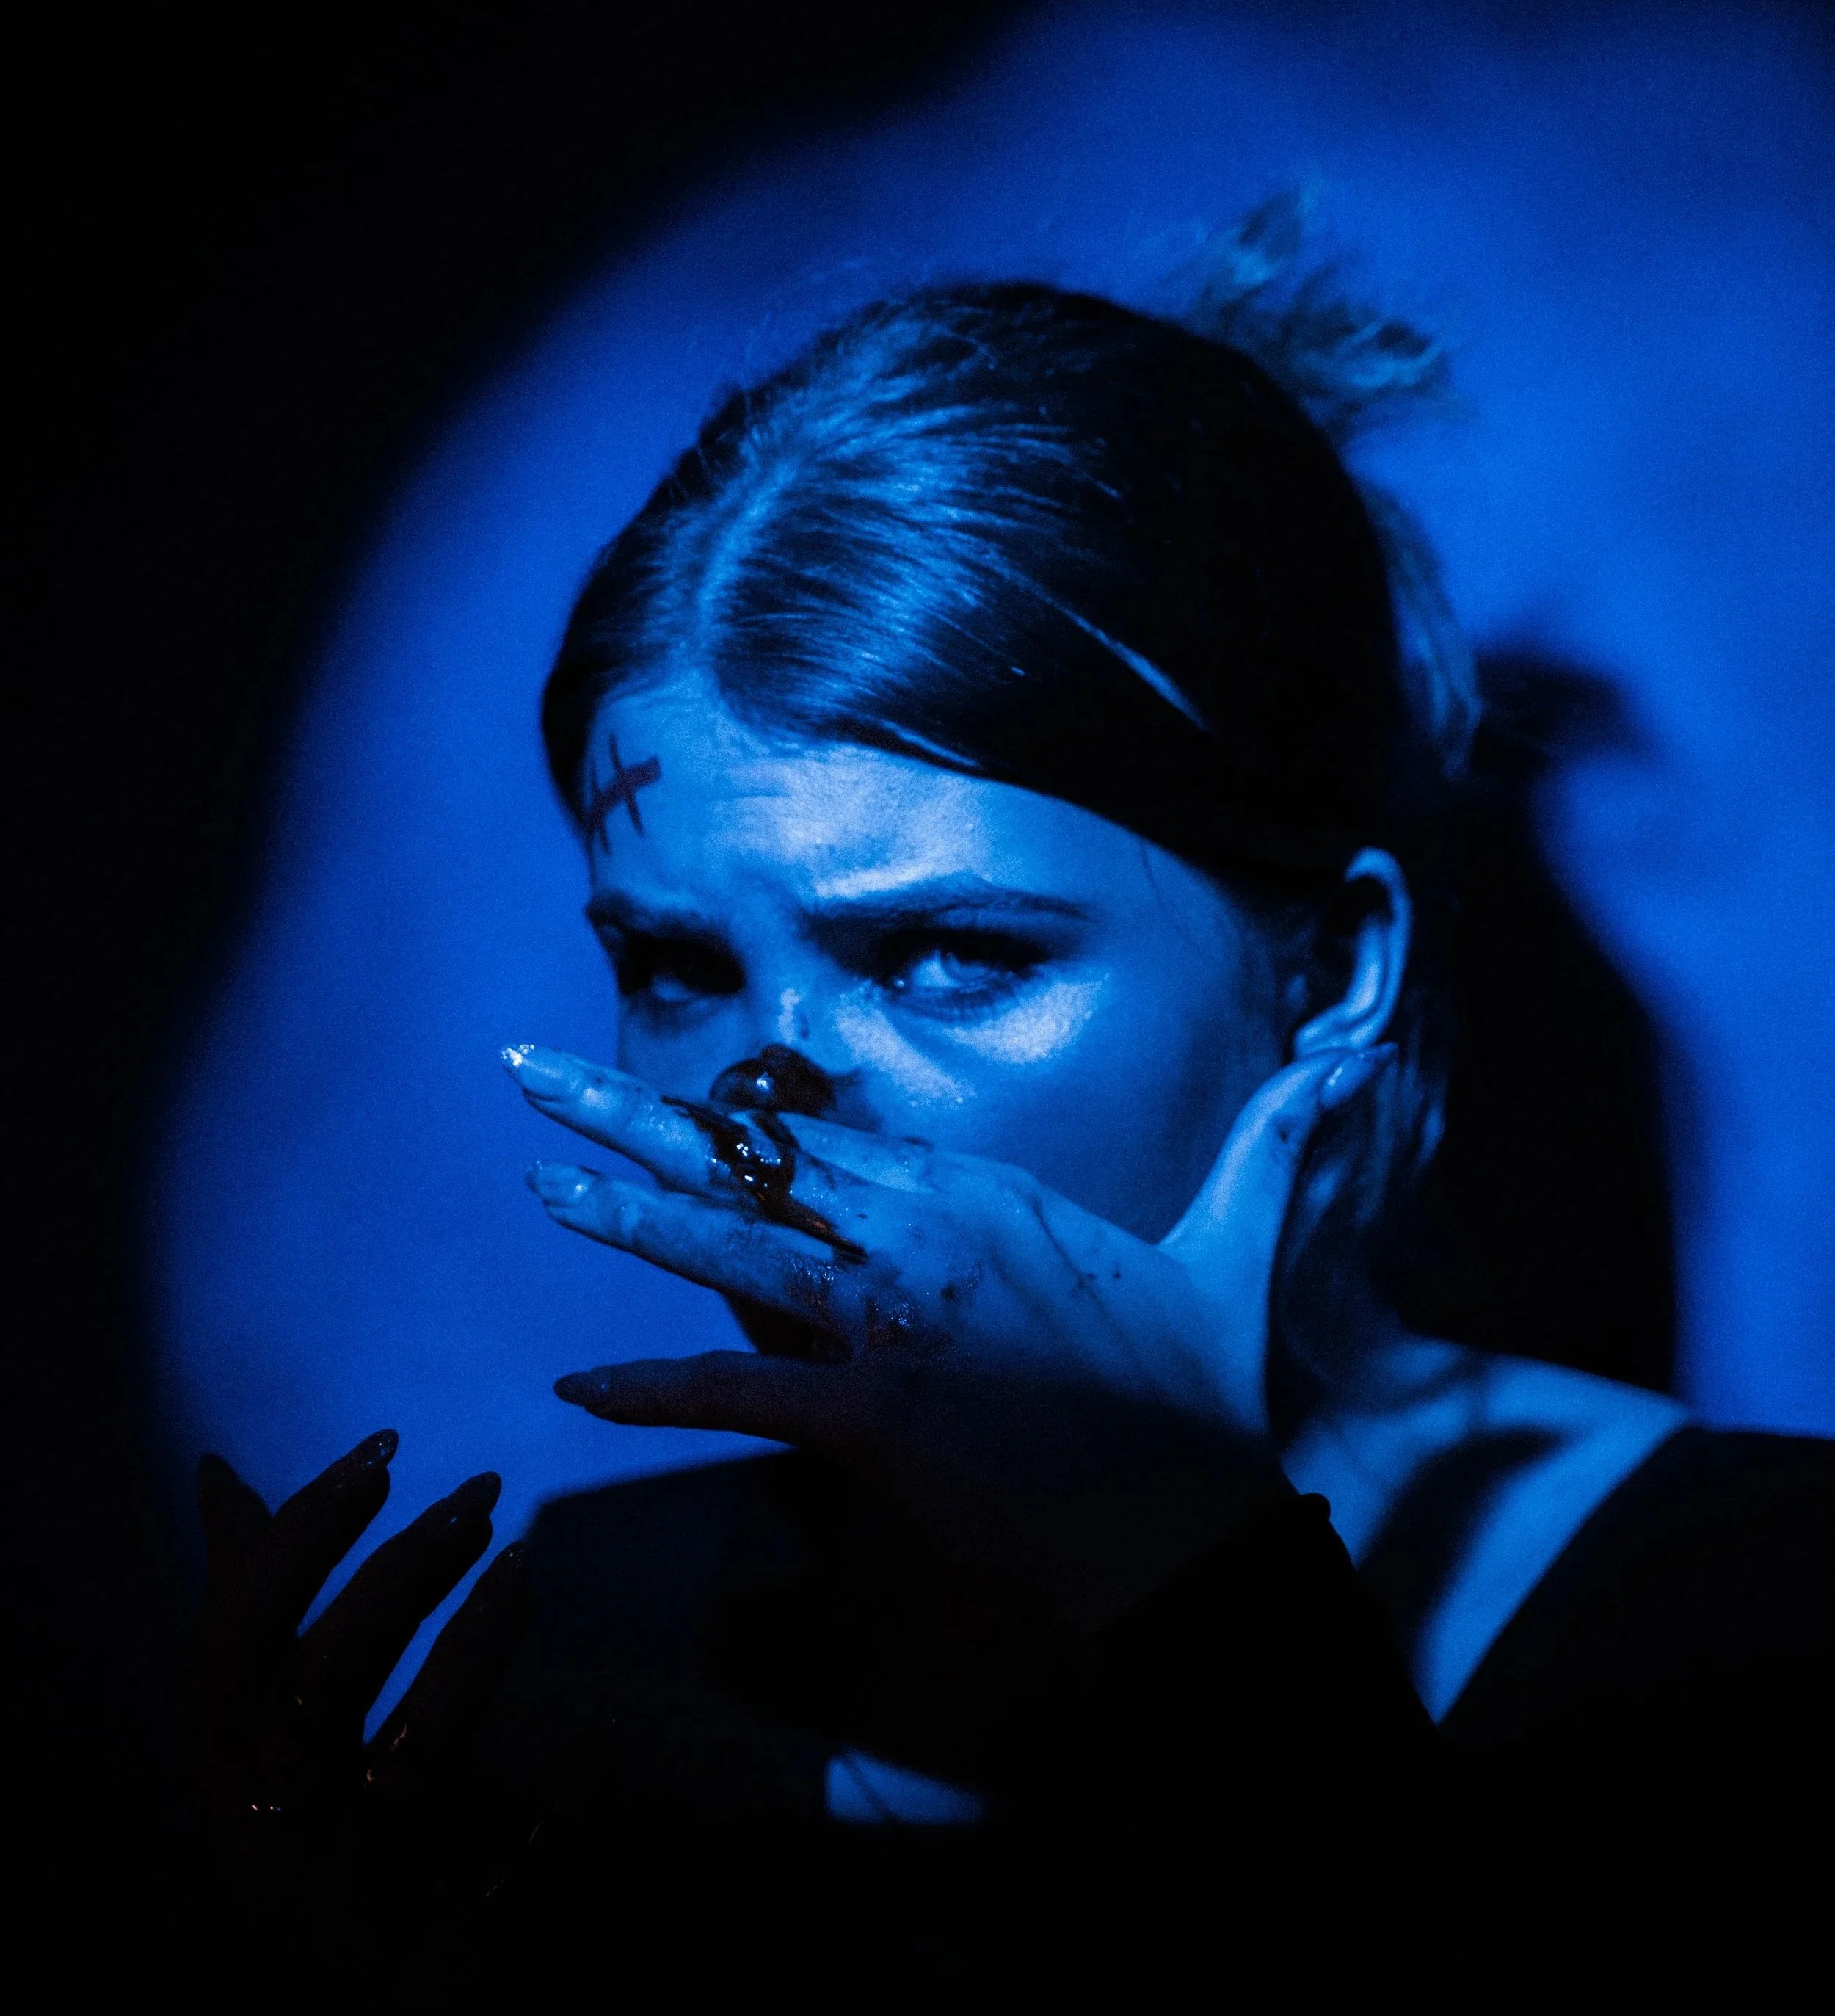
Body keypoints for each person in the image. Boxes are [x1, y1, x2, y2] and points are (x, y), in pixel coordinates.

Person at [195, 212, 1833, 1976]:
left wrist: (1207, 1598)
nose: (764, 1100)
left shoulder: (1763, 1628)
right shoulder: (576, 1653)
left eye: (945, 954)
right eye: (673, 968)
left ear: (1333, 972)